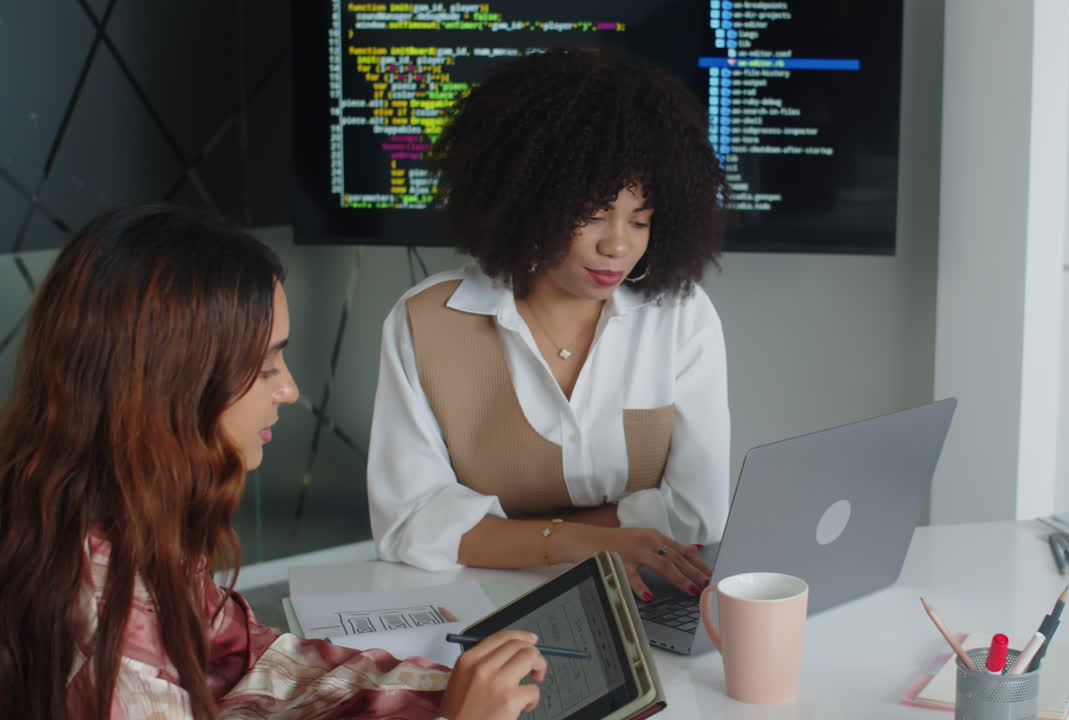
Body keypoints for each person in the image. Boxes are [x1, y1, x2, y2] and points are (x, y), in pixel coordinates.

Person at [0, 205, 546, 720]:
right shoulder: (101, 617)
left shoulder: (125, 525)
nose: (289, 389)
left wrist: (446, 692)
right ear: (171, 388)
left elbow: (243, 663)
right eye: (264, 368)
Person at [367, 47, 731, 602]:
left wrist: (503, 534)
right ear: (526, 199)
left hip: (642, 598)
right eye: (590, 215)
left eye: (640, 220)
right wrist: (576, 540)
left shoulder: (680, 317)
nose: (617, 245)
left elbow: (696, 515)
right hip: (472, 603)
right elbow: (408, 523)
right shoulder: (427, 322)